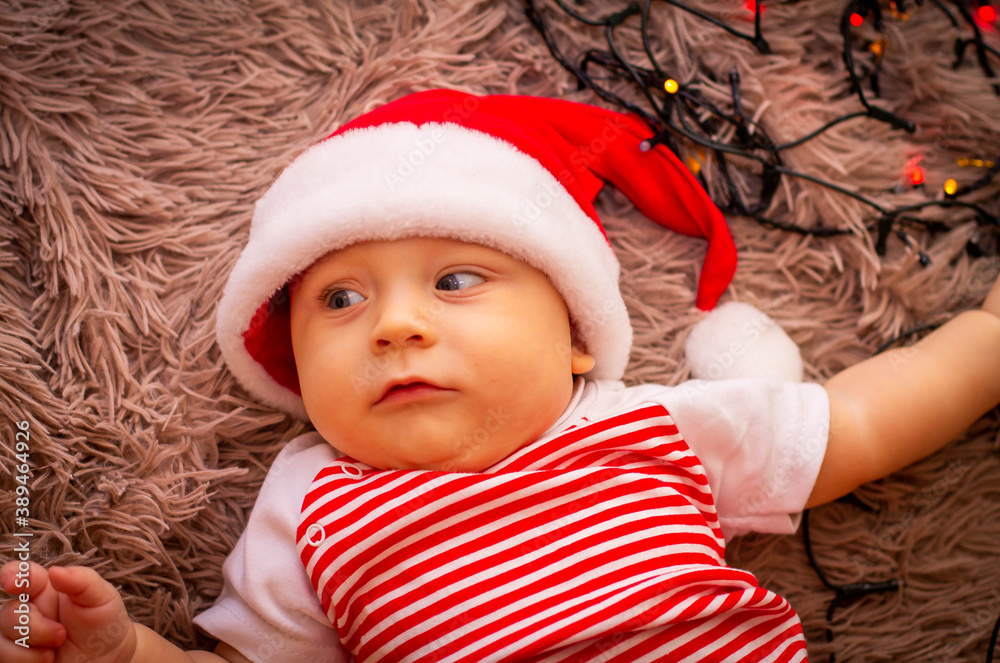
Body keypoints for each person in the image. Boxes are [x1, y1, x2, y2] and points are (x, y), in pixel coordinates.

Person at [2, 89, 999, 663]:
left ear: (575, 337)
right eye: (338, 302)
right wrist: (129, 651)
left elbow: (857, 424)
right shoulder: (307, 504)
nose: (394, 325)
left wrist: (986, 343)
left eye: (455, 280)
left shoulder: (648, 425)